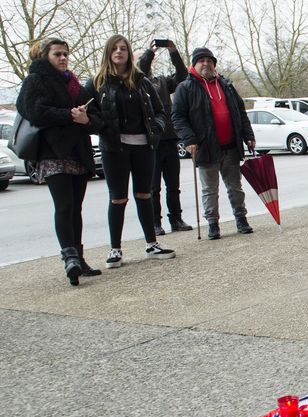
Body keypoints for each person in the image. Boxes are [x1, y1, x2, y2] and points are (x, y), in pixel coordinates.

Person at [16, 37, 103, 285]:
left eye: (66, 53)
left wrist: (86, 120)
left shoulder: (75, 83)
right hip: (53, 153)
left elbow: (97, 117)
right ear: (46, 57)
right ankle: (70, 258)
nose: (63, 58)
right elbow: (33, 110)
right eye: (57, 54)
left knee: (76, 208)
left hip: (78, 152)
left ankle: (79, 256)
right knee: (64, 206)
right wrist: (68, 115)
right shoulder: (36, 80)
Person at [84, 34, 175, 269]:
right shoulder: (97, 82)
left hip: (144, 147)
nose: (119, 52)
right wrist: (100, 126)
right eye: (114, 48)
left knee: (144, 195)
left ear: (129, 52)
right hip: (114, 148)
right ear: (108, 53)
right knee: (118, 198)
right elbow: (91, 116)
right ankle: (115, 249)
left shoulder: (141, 81)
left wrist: (157, 127)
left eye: (123, 48)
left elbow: (160, 110)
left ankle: (151, 244)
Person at [172, 47, 255, 239]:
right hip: (205, 147)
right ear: (194, 64)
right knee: (210, 190)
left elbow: (240, 112)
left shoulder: (226, 85)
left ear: (214, 64)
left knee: (235, 187)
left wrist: (248, 135)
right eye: (201, 60)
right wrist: (189, 139)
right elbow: (177, 117)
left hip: (230, 146)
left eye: (210, 61)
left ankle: (241, 219)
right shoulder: (185, 88)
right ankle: (212, 224)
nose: (206, 64)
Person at [137, 39, 192, 236]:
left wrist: (174, 52)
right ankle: (155, 223)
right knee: (153, 187)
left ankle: (176, 219)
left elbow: (182, 76)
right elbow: (140, 70)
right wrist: (149, 53)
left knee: (173, 185)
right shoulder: (139, 83)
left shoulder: (161, 82)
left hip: (169, 139)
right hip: (151, 142)